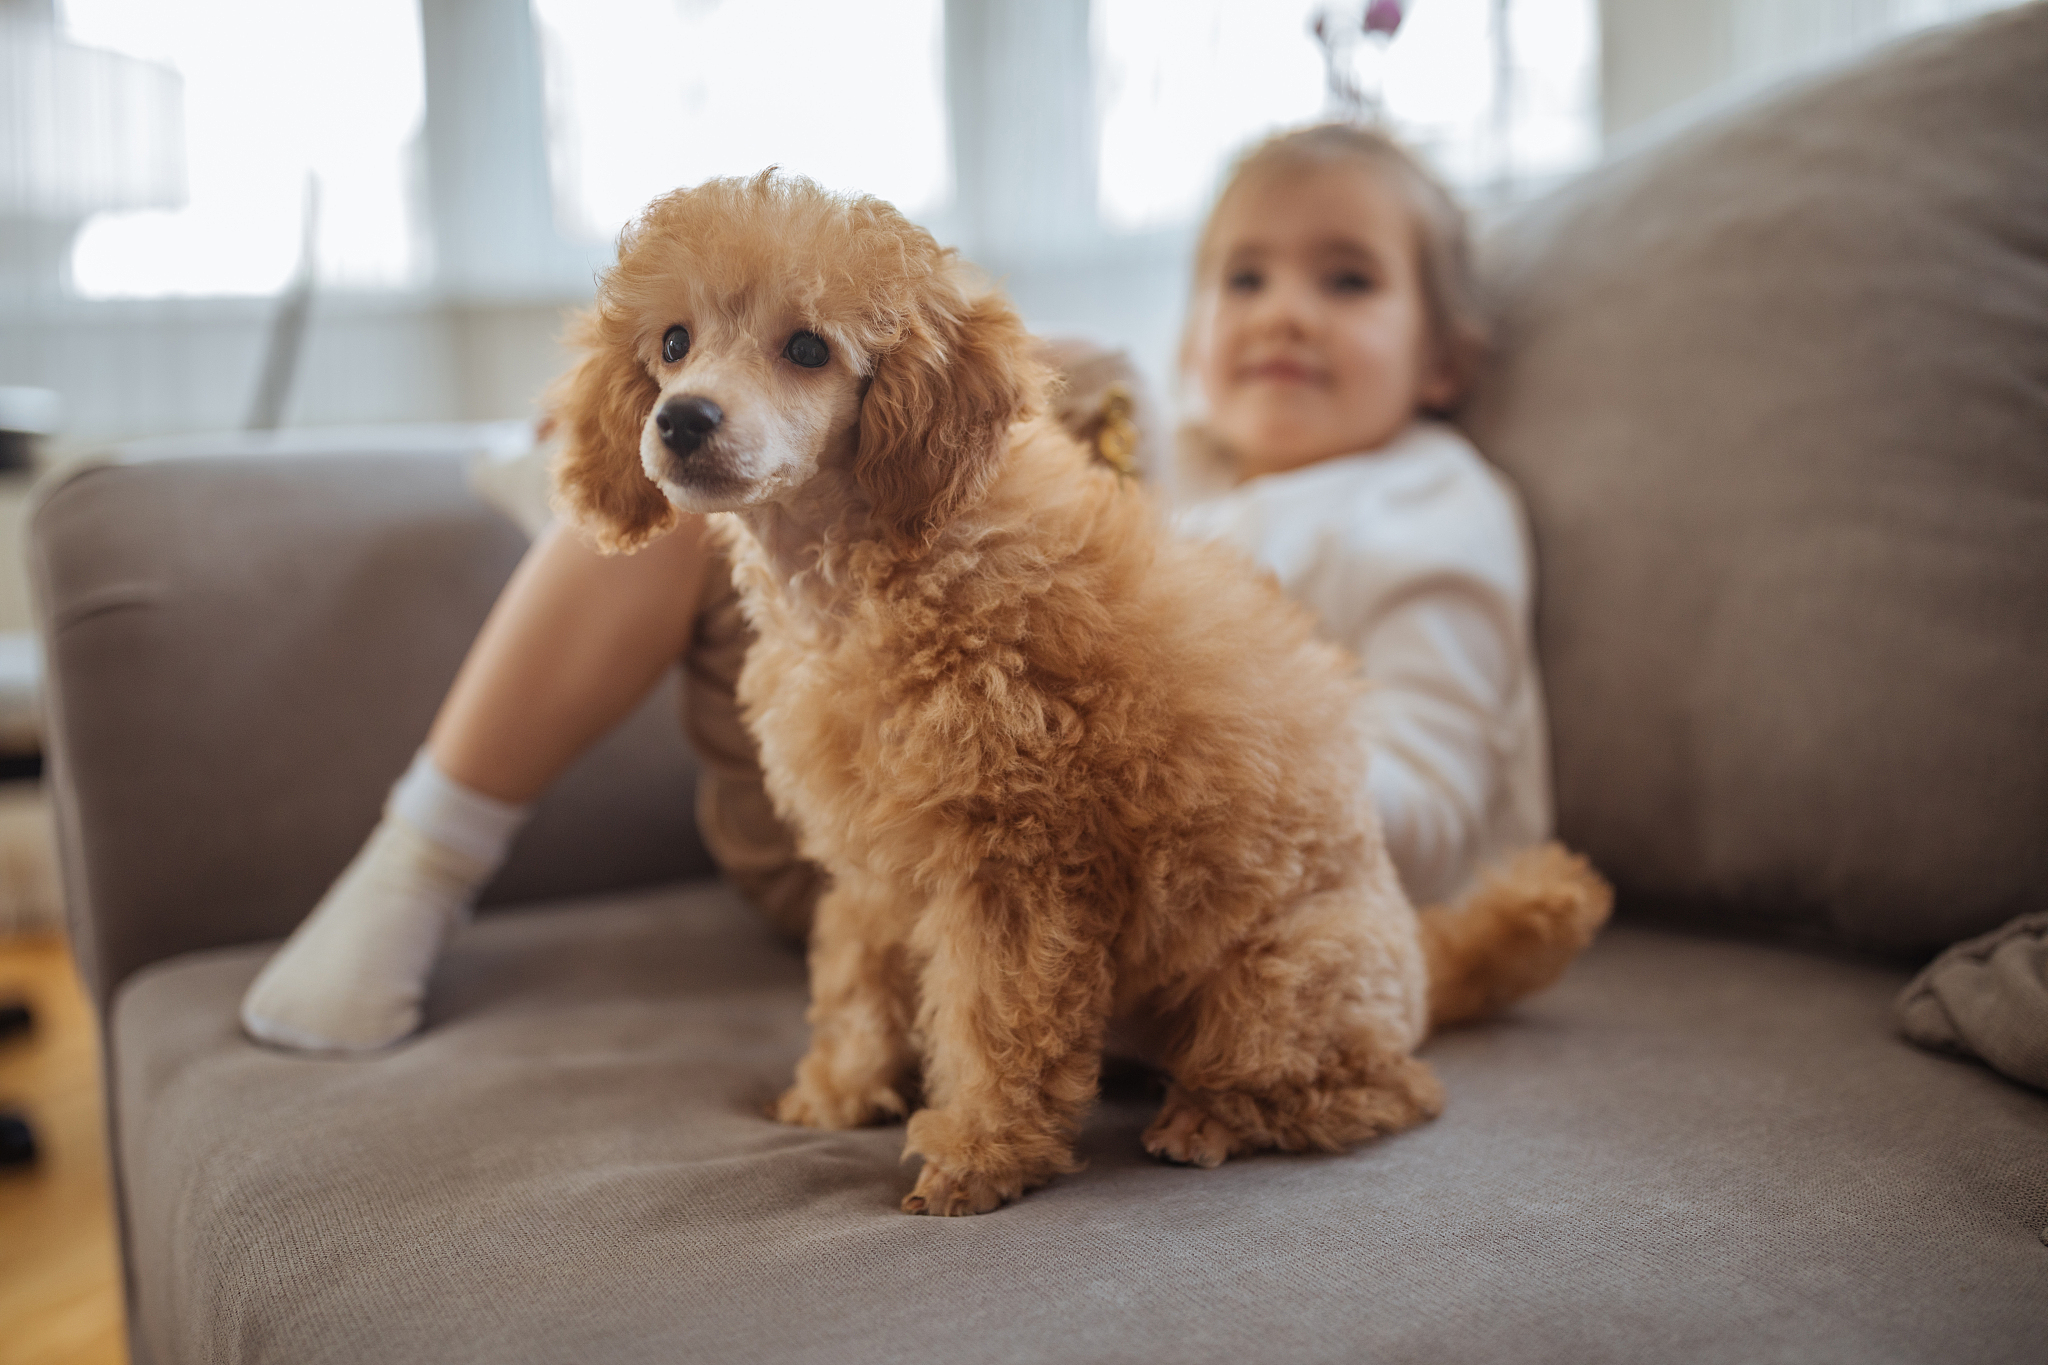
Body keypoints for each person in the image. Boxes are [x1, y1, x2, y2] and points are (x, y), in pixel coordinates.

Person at [240, 123, 1549, 1053]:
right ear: (1196, 327)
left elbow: (1425, 794)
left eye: (1348, 279)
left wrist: (1216, 765)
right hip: (869, 795)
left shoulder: (1434, 503)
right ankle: (423, 855)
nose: (1282, 313)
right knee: (737, 457)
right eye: (1242, 278)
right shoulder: (1163, 443)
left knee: (765, 468)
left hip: (1111, 875)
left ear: (1445, 360)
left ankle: (446, 807)